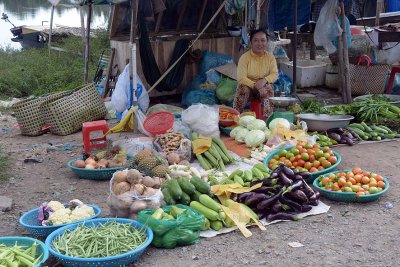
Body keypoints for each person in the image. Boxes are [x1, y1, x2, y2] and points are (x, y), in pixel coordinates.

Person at [233, 29, 279, 119]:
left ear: (267, 42)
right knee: (242, 88)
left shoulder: (270, 57)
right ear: (251, 43)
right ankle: (236, 117)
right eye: (256, 40)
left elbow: (274, 74)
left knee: (269, 89)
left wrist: (264, 80)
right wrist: (255, 85)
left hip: (263, 87)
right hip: (249, 87)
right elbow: (241, 78)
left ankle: (268, 120)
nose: (259, 44)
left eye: (262, 40)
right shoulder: (244, 58)